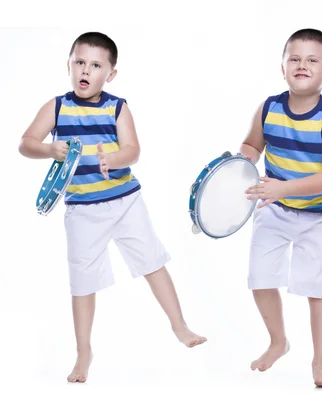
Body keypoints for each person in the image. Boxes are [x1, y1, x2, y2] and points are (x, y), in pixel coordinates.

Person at [18, 32, 206, 383]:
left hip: (124, 201)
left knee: (152, 261)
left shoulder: (117, 106)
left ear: (110, 74)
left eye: (95, 64)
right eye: (79, 62)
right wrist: (49, 150)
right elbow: (26, 143)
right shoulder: (57, 106)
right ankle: (83, 351)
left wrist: (115, 158)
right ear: (69, 65)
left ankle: (179, 325)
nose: (85, 70)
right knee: (82, 280)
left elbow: (133, 149)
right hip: (81, 209)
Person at [240, 28, 322, 387]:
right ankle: (278, 340)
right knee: (259, 277)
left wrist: (284, 186)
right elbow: (251, 147)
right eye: (295, 58)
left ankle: (321, 362)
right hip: (275, 207)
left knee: (318, 290)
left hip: (321, 217)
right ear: (283, 66)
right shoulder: (269, 107)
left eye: (312, 60)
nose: (302, 65)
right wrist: (239, 164)